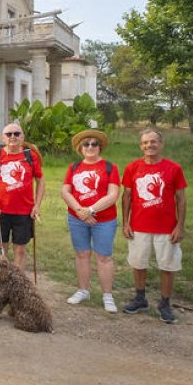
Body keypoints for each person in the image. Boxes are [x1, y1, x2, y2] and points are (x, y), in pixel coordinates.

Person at [120, 129, 187, 324]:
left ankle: (165, 303)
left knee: (167, 265)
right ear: (141, 146)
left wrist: (180, 226)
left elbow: (181, 200)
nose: (149, 146)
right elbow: (127, 197)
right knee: (138, 263)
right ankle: (140, 298)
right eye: (145, 143)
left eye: (153, 142)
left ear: (161, 144)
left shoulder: (173, 168)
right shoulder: (132, 168)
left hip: (166, 227)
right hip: (139, 226)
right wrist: (126, 222)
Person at [61, 129, 121, 313]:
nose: (90, 147)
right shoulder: (74, 167)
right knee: (82, 254)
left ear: (100, 147)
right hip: (77, 218)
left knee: (103, 256)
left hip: (104, 220)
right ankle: (83, 290)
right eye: (86, 144)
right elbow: (65, 191)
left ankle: (107, 295)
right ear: (80, 148)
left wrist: (90, 210)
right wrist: (80, 211)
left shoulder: (110, 167)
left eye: (94, 144)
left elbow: (113, 195)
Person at [0, 123, 43, 272]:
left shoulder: (30, 156)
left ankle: (18, 284)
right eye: (9, 134)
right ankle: (0, 284)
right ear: (3, 138)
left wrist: (37, 205)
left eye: (17, 134)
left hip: (24, 211)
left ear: (22, 137)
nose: (13, 137)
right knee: (1, 251)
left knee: (20, 250)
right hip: (0, 210)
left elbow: (40, 180)